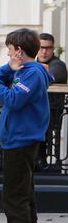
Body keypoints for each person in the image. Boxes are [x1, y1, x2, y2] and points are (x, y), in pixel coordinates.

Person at [0, 28, 51, 223]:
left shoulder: (32, 74)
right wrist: (8, 68)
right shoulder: (25, 70)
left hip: (21, 141)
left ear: (18, 51)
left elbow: (12, 99)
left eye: (10, 50)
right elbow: (5, 79)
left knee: (14, 197)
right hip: (20, 140)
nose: (8, 53)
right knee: (25, 196)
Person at [36, 33, 68, 171]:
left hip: (50, 115)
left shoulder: (58, 65)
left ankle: (41, 162)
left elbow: (51, 77)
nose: (44, 51)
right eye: (41, 47)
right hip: (33, 114)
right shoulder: (31, 63)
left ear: (53, 49)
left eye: (48, 48)